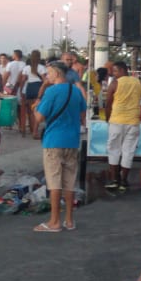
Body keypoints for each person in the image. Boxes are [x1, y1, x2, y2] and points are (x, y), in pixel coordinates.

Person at [33, 61, 88, 232]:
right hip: (72, 141)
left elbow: (39, 118)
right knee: (69, 182)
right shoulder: (76, 91)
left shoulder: (51, 92)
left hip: (54, 141)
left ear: (56, 73)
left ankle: (54, 221)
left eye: (49, 73)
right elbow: (82, 113)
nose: (47, 76)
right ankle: (69, 220)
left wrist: (34, 108)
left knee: (54, 181)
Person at [104, 61, 141, 192]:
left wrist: (107, 118)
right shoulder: (138, 82)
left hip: (116, 121)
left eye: (114, 71)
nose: (113, 74)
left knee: (114, 149)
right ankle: (124, 181)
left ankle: (114, 180)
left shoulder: (115, 83)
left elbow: (108, 103)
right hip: (133, 122)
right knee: (128, 151)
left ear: (121, 70)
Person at [20, 50, 46, 138]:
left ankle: (31, 129)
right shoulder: (41, 67)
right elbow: (44, 80)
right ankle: (35, 131)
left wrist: (21, 90)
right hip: (38, 87)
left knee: (31, 111)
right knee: (37, 110)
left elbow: (23, 80)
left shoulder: (26, 68)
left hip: (29, 87)